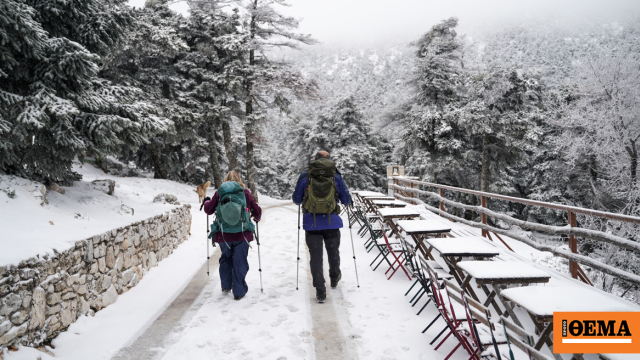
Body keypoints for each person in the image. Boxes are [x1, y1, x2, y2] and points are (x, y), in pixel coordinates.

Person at [292, 151, 352, 303]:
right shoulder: (335, 176)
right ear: (329, 160)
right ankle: (334, 277)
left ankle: (320, 290)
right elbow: (346, 200)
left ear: (315, 160)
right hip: (331, 222)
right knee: (333, 251)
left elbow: (296, 199)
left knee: (316, 257)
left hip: (311, 224)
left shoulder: (306, 176)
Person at [203, 170, 261, 300]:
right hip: (242, 234)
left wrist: (206, 201)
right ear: (239, 179)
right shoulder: (244, 192)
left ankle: (226, 285)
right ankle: (239, 291)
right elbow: (256, 211)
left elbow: (208, 210)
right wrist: (257, 216)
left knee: (226, 259)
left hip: (224, 235)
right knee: (240, 261)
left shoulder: (220, 192)